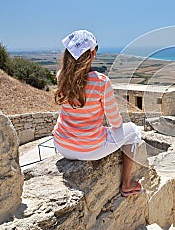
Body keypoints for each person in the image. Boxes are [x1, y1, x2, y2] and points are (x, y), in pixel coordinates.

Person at [52, 30, 143, 197]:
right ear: (92, 53)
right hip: (90, 149)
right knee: (134, 132)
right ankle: (127, 184)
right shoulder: (101, 82)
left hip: (62, 146)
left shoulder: (61, 76)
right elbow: (115, 122)